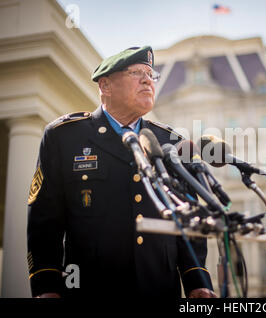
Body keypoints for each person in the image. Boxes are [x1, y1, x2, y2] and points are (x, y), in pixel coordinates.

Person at [26, 46, 216, 298]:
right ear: (105, 85)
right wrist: (46, 286)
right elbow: (44, 221)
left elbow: (190, 219)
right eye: (137, 72)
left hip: (158, 288)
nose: (148, 80)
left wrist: (197, 281)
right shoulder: (64, 136)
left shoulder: (171, 142)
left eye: (151, 74)